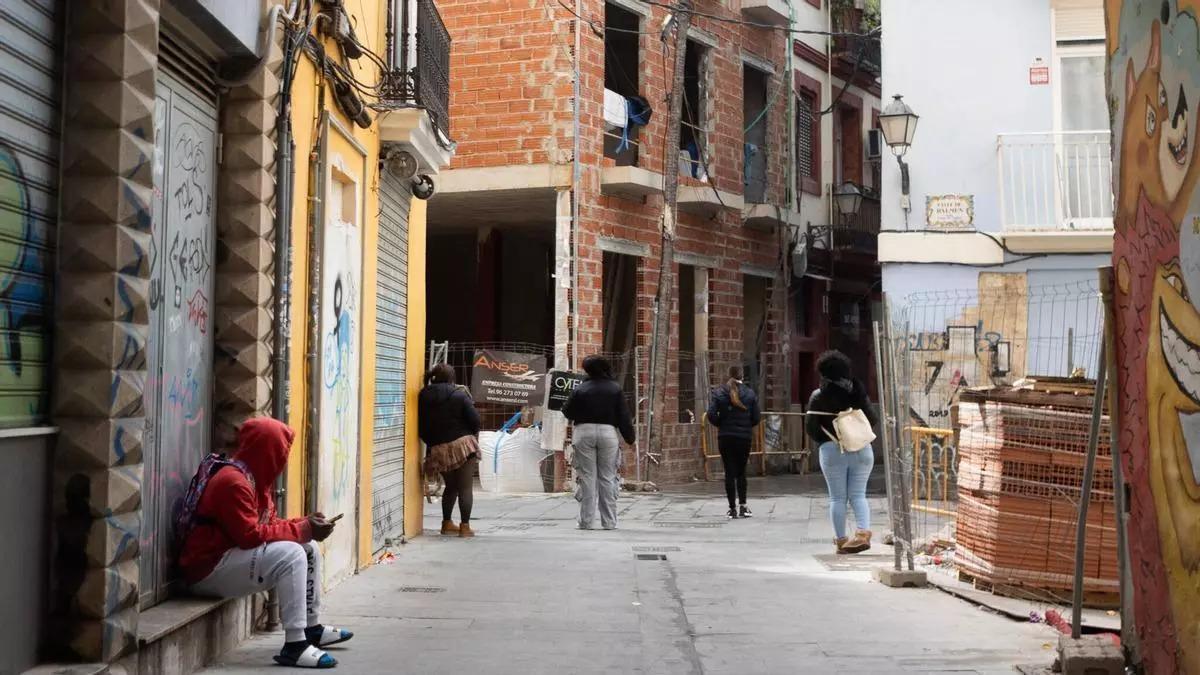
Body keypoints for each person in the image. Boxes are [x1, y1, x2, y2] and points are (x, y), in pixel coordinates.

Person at [179, 417, 352, 669]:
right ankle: (294, 645)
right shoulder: (233, 482)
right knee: (292, 554)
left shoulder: (256, 479)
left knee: (308, 548)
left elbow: (268, 524)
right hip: (206, 570)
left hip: (227, 558)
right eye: (280, 452)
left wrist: (305, 523)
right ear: (266, 451)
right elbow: (249, 535)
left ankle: (311, 628)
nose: (282, 461)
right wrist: (304, 528)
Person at [807, 350, 878, 554]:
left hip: (832, 450)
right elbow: (872, 420)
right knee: (858, 495)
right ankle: (863, 533)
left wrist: (827, 438)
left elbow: (811, 428)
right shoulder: (858, 392)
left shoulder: (818, 396)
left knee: (837, 498)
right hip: (862, 449)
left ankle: (841, 540)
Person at [562, 355, 635, 530]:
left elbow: (567, 411)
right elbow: (623, 416)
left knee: (587, 478)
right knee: (607, 477)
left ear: (587, 369)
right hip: (608, 432)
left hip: (583, 432)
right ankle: (609, 522)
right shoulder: (615, 389)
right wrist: (629, 437)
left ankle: (586, 522)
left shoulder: (580, 389)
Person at [418, 363, 482, 537]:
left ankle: (446, 523)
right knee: (465, 488)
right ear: (452, 377)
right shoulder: (459, 395)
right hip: (462, 445)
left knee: (451, 486)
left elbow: (422, 425)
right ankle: (465, 527)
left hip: (438, 448)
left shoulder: (423, 395)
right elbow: (476, 421)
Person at [706, 366, 762, 519]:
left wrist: (722, 424)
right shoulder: (750, 394)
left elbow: (710, 414)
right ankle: (743, 506)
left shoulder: (719, 393)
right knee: (741, 471)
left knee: (729, 472)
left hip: (725, 437)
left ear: (728, 375)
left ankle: (732, 509)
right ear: (742, 376)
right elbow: (757, 418)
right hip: (744, 438)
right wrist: (745, 426)